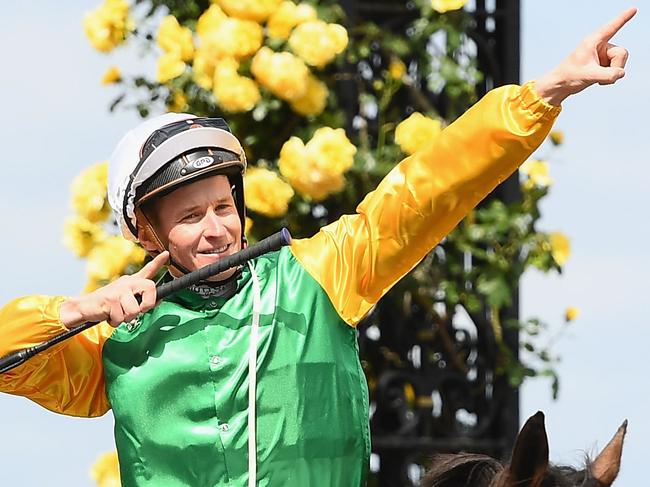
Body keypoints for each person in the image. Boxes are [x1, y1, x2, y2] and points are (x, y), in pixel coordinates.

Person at [0, 8, 636, 487]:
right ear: (148, 232)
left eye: (224, 207)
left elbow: (427, 188)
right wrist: (83, 310)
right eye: (191, 217)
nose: (217, 229)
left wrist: (547, 90)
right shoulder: (112, 343)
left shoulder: (321, 269)